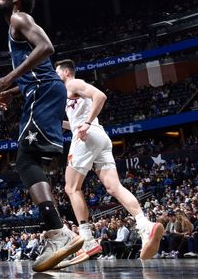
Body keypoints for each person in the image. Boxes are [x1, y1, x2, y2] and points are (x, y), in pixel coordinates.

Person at [0, 0, 83, 272]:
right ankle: (57, 231)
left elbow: (47, 48)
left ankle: (58, 231)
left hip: (43, 93)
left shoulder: (20, 17)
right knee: (29, 161)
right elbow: (39, 71)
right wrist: (12, 91)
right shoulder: (13, 25)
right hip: (40, 91)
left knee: (25, 160)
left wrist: (8, 78)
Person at [53, 59, 163, 266]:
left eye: (57, 72)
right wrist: (60, 123)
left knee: (71, 188)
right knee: (114, 187)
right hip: (99, 136)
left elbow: (100, 96)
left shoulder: (72, 83)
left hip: (86, 135)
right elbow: (75, 121)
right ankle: (145, 225)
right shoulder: (69, 93)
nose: (54, 75)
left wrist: (84, 124)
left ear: (66, 72)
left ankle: (87, 239)